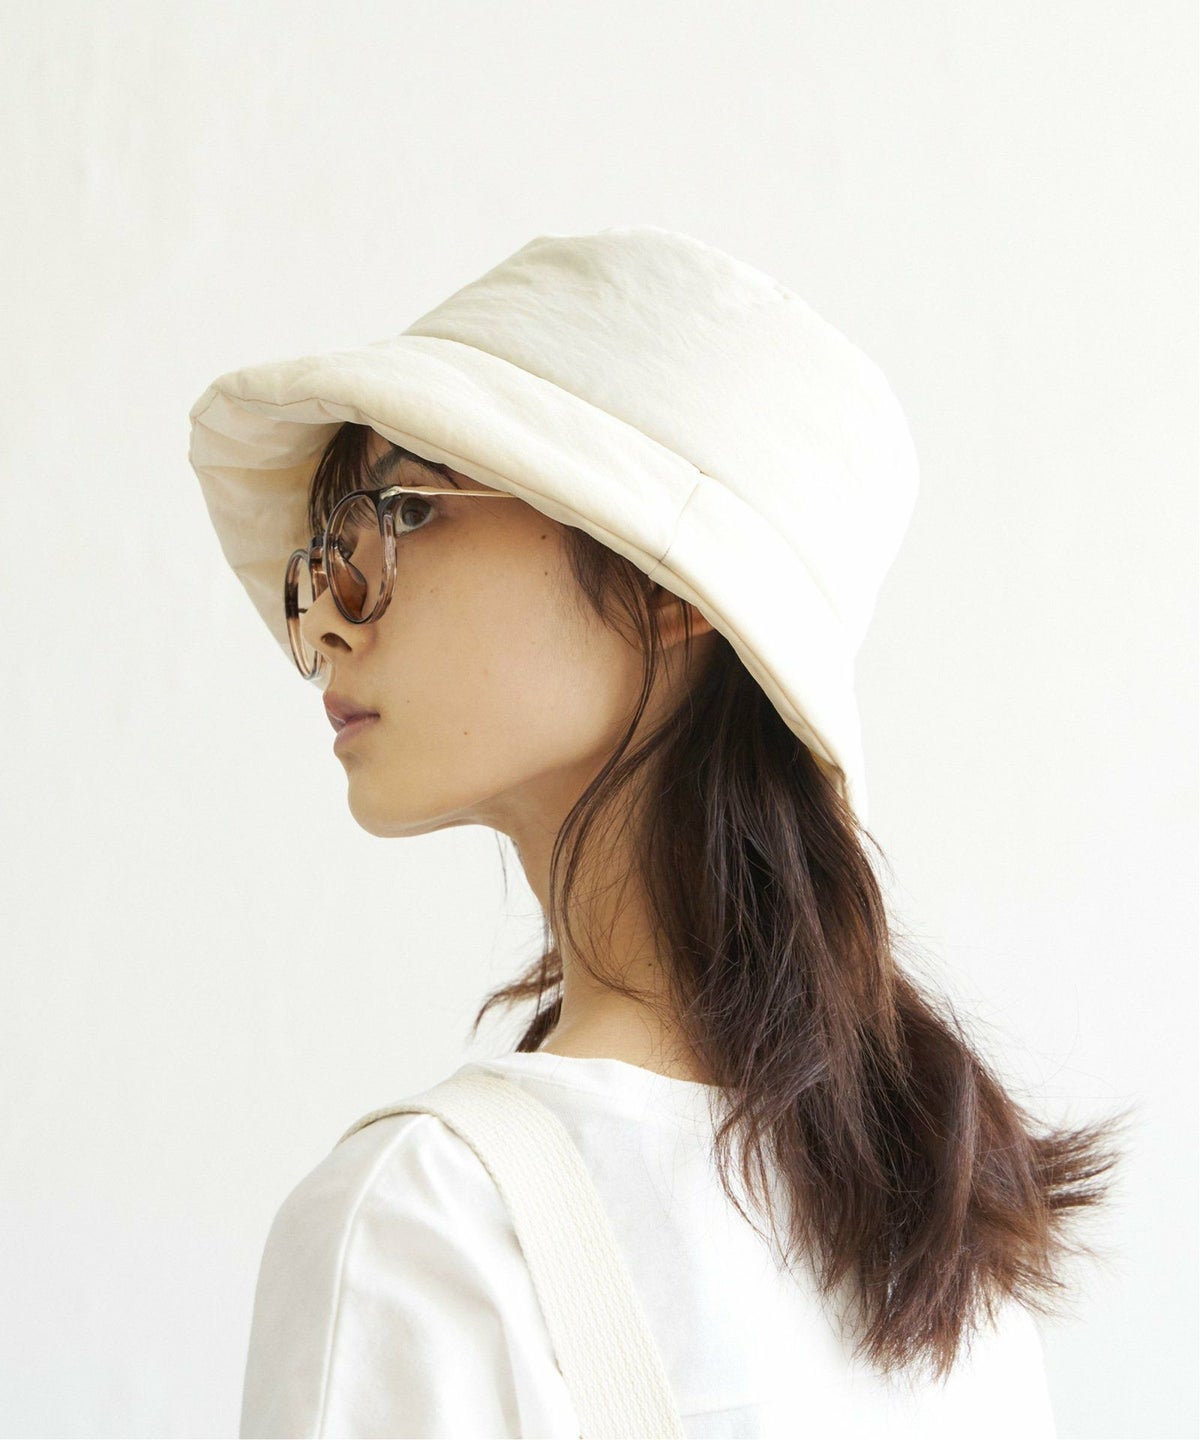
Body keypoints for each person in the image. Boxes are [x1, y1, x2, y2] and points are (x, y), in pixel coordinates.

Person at [187, 225, 1125, 1438]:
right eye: (326, 553)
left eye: (407, 508)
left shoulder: (427, 1225)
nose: (328, 616)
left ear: (667, 586)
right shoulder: (942, 1221)